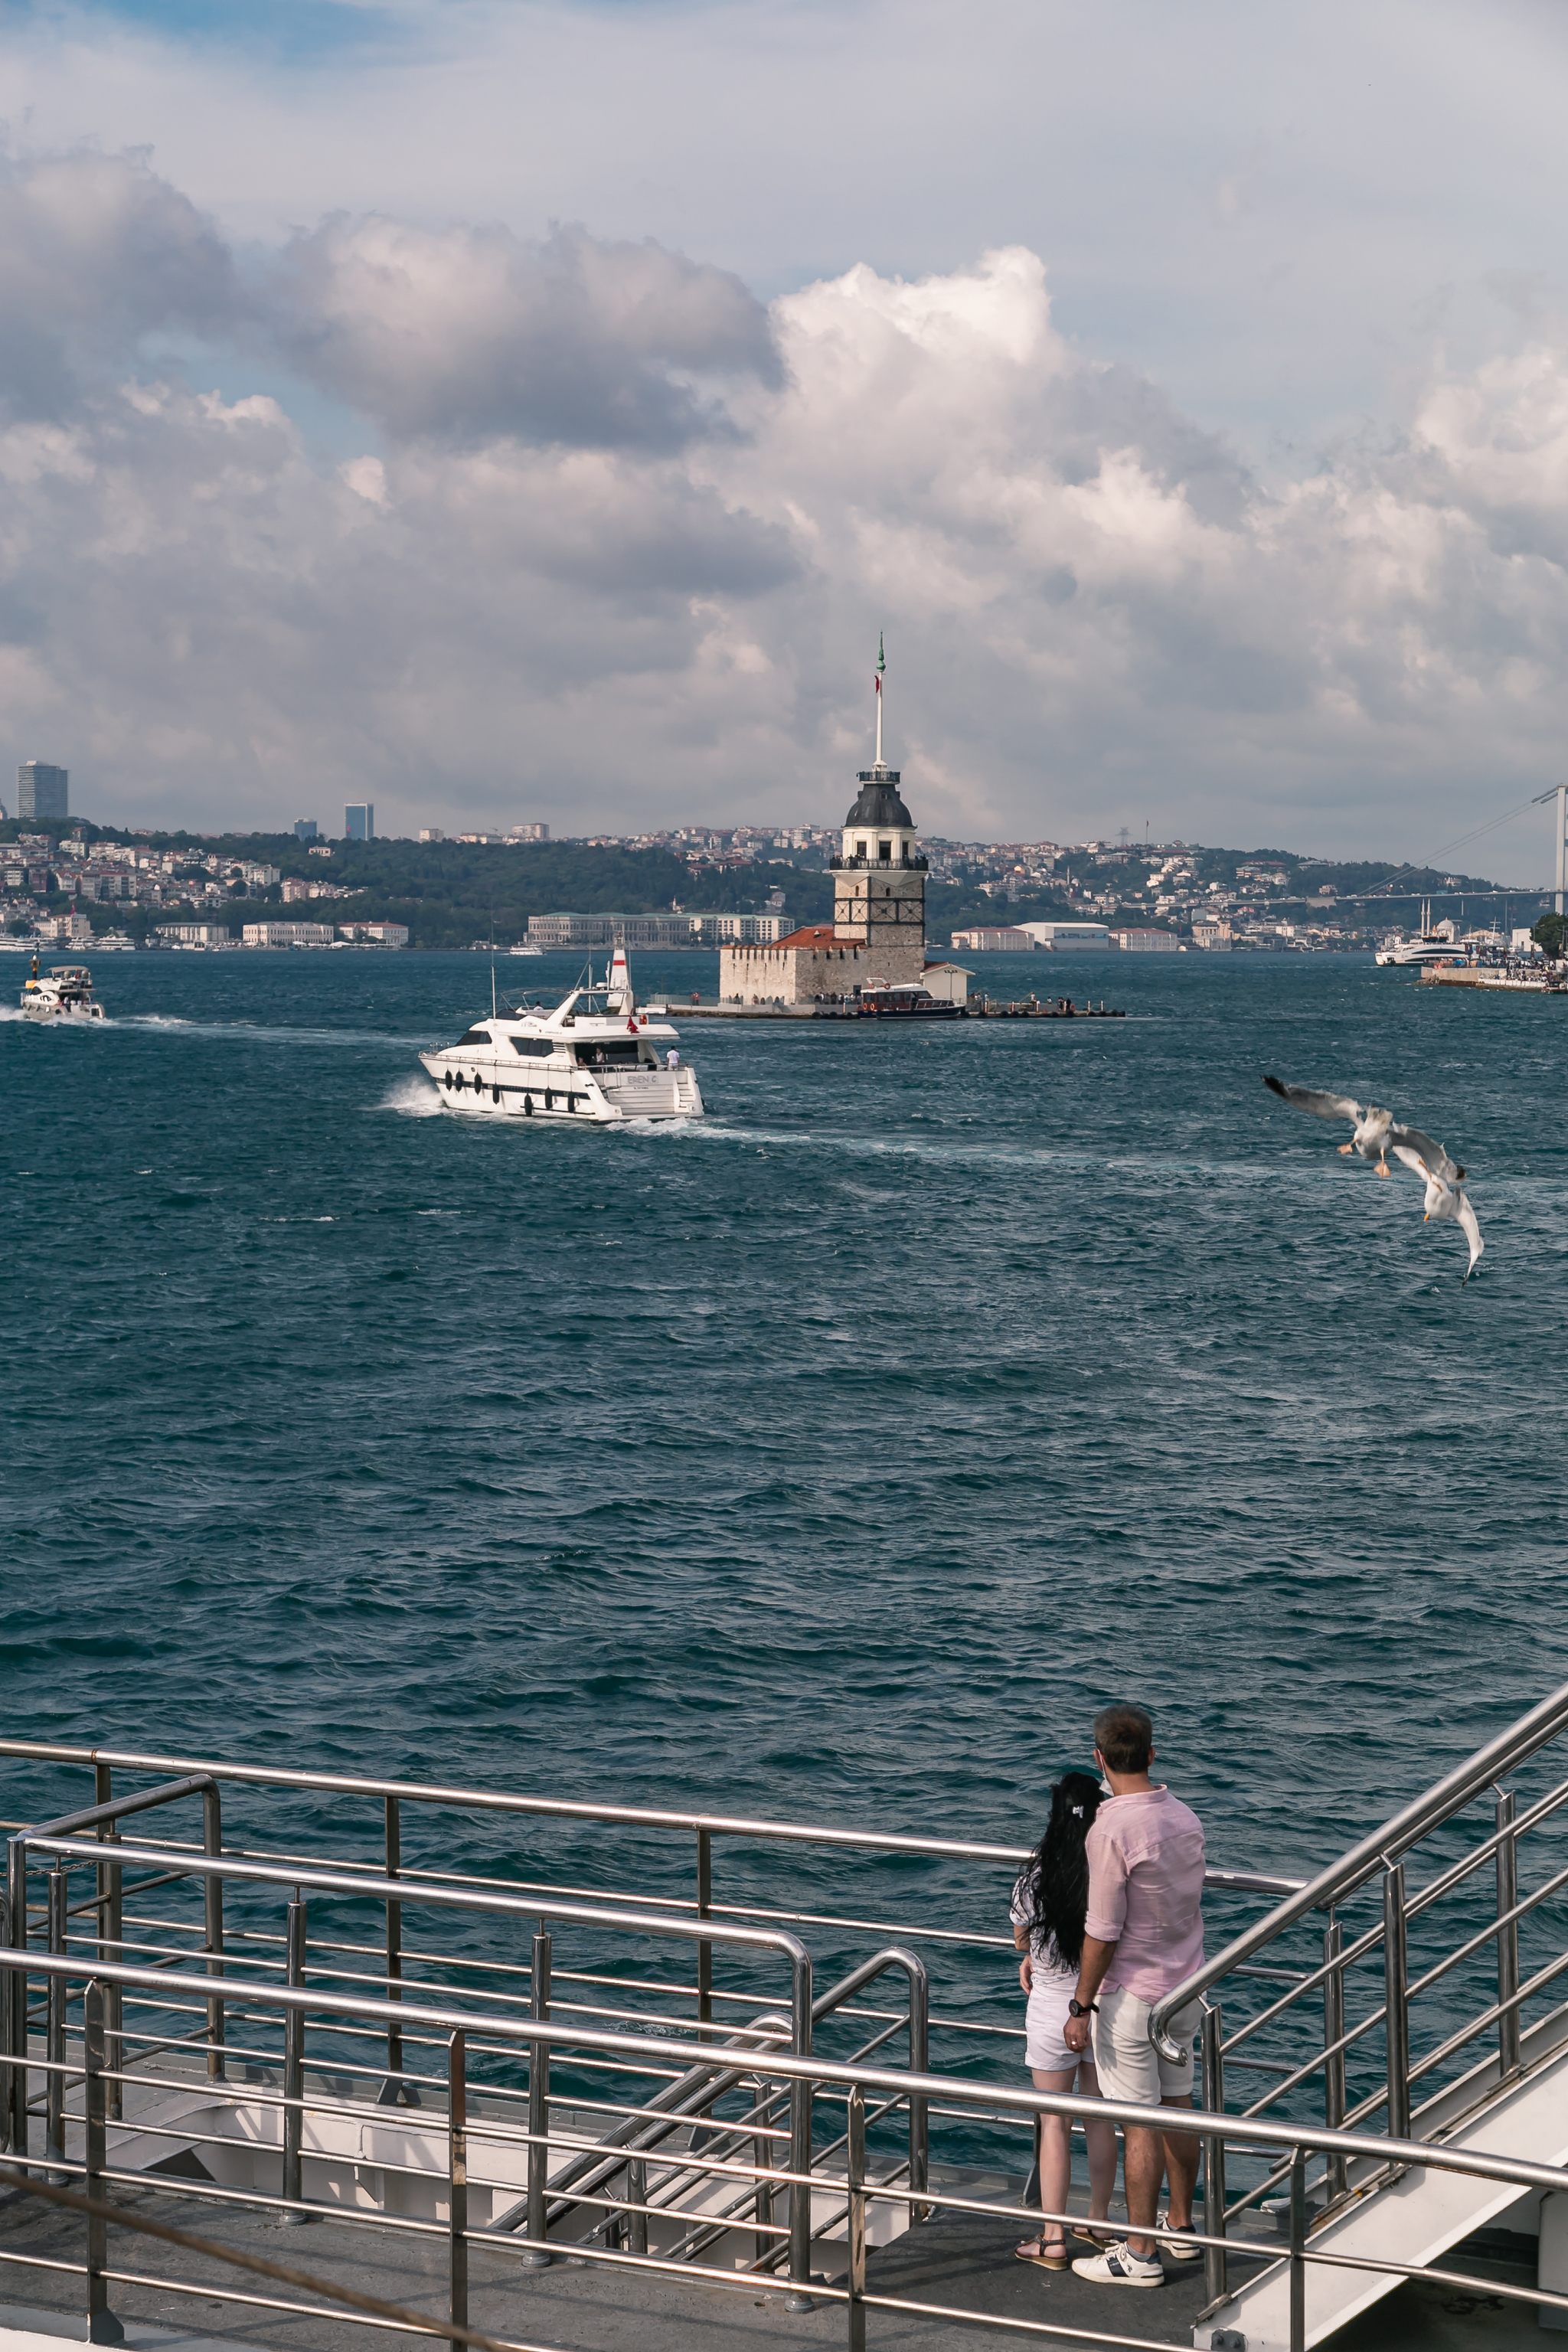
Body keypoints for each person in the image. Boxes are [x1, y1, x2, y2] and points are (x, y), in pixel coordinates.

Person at [1063, 1704, 1206, 2289]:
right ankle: (1179, 2225)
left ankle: (1140, 2253)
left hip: (1132, 1998)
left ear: (1099, 1760)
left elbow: (1102, 1930)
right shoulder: (1185, 1817)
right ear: (1151, 1754)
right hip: (1185, 1985)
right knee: (1178, 2106)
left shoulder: (1110, 1828)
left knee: (1136, 2121)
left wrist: (1081, 2005)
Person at [1010, 1773, 1119, 2270]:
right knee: (1100, 2116)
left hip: (1052, 2003)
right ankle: (1097, 2220)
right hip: (1099, 2005)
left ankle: (1052, 2240)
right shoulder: (1111, 1872)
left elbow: (1020, 1938)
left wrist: (1032, 1955)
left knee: (1053, 2124)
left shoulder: (1036, 1876)